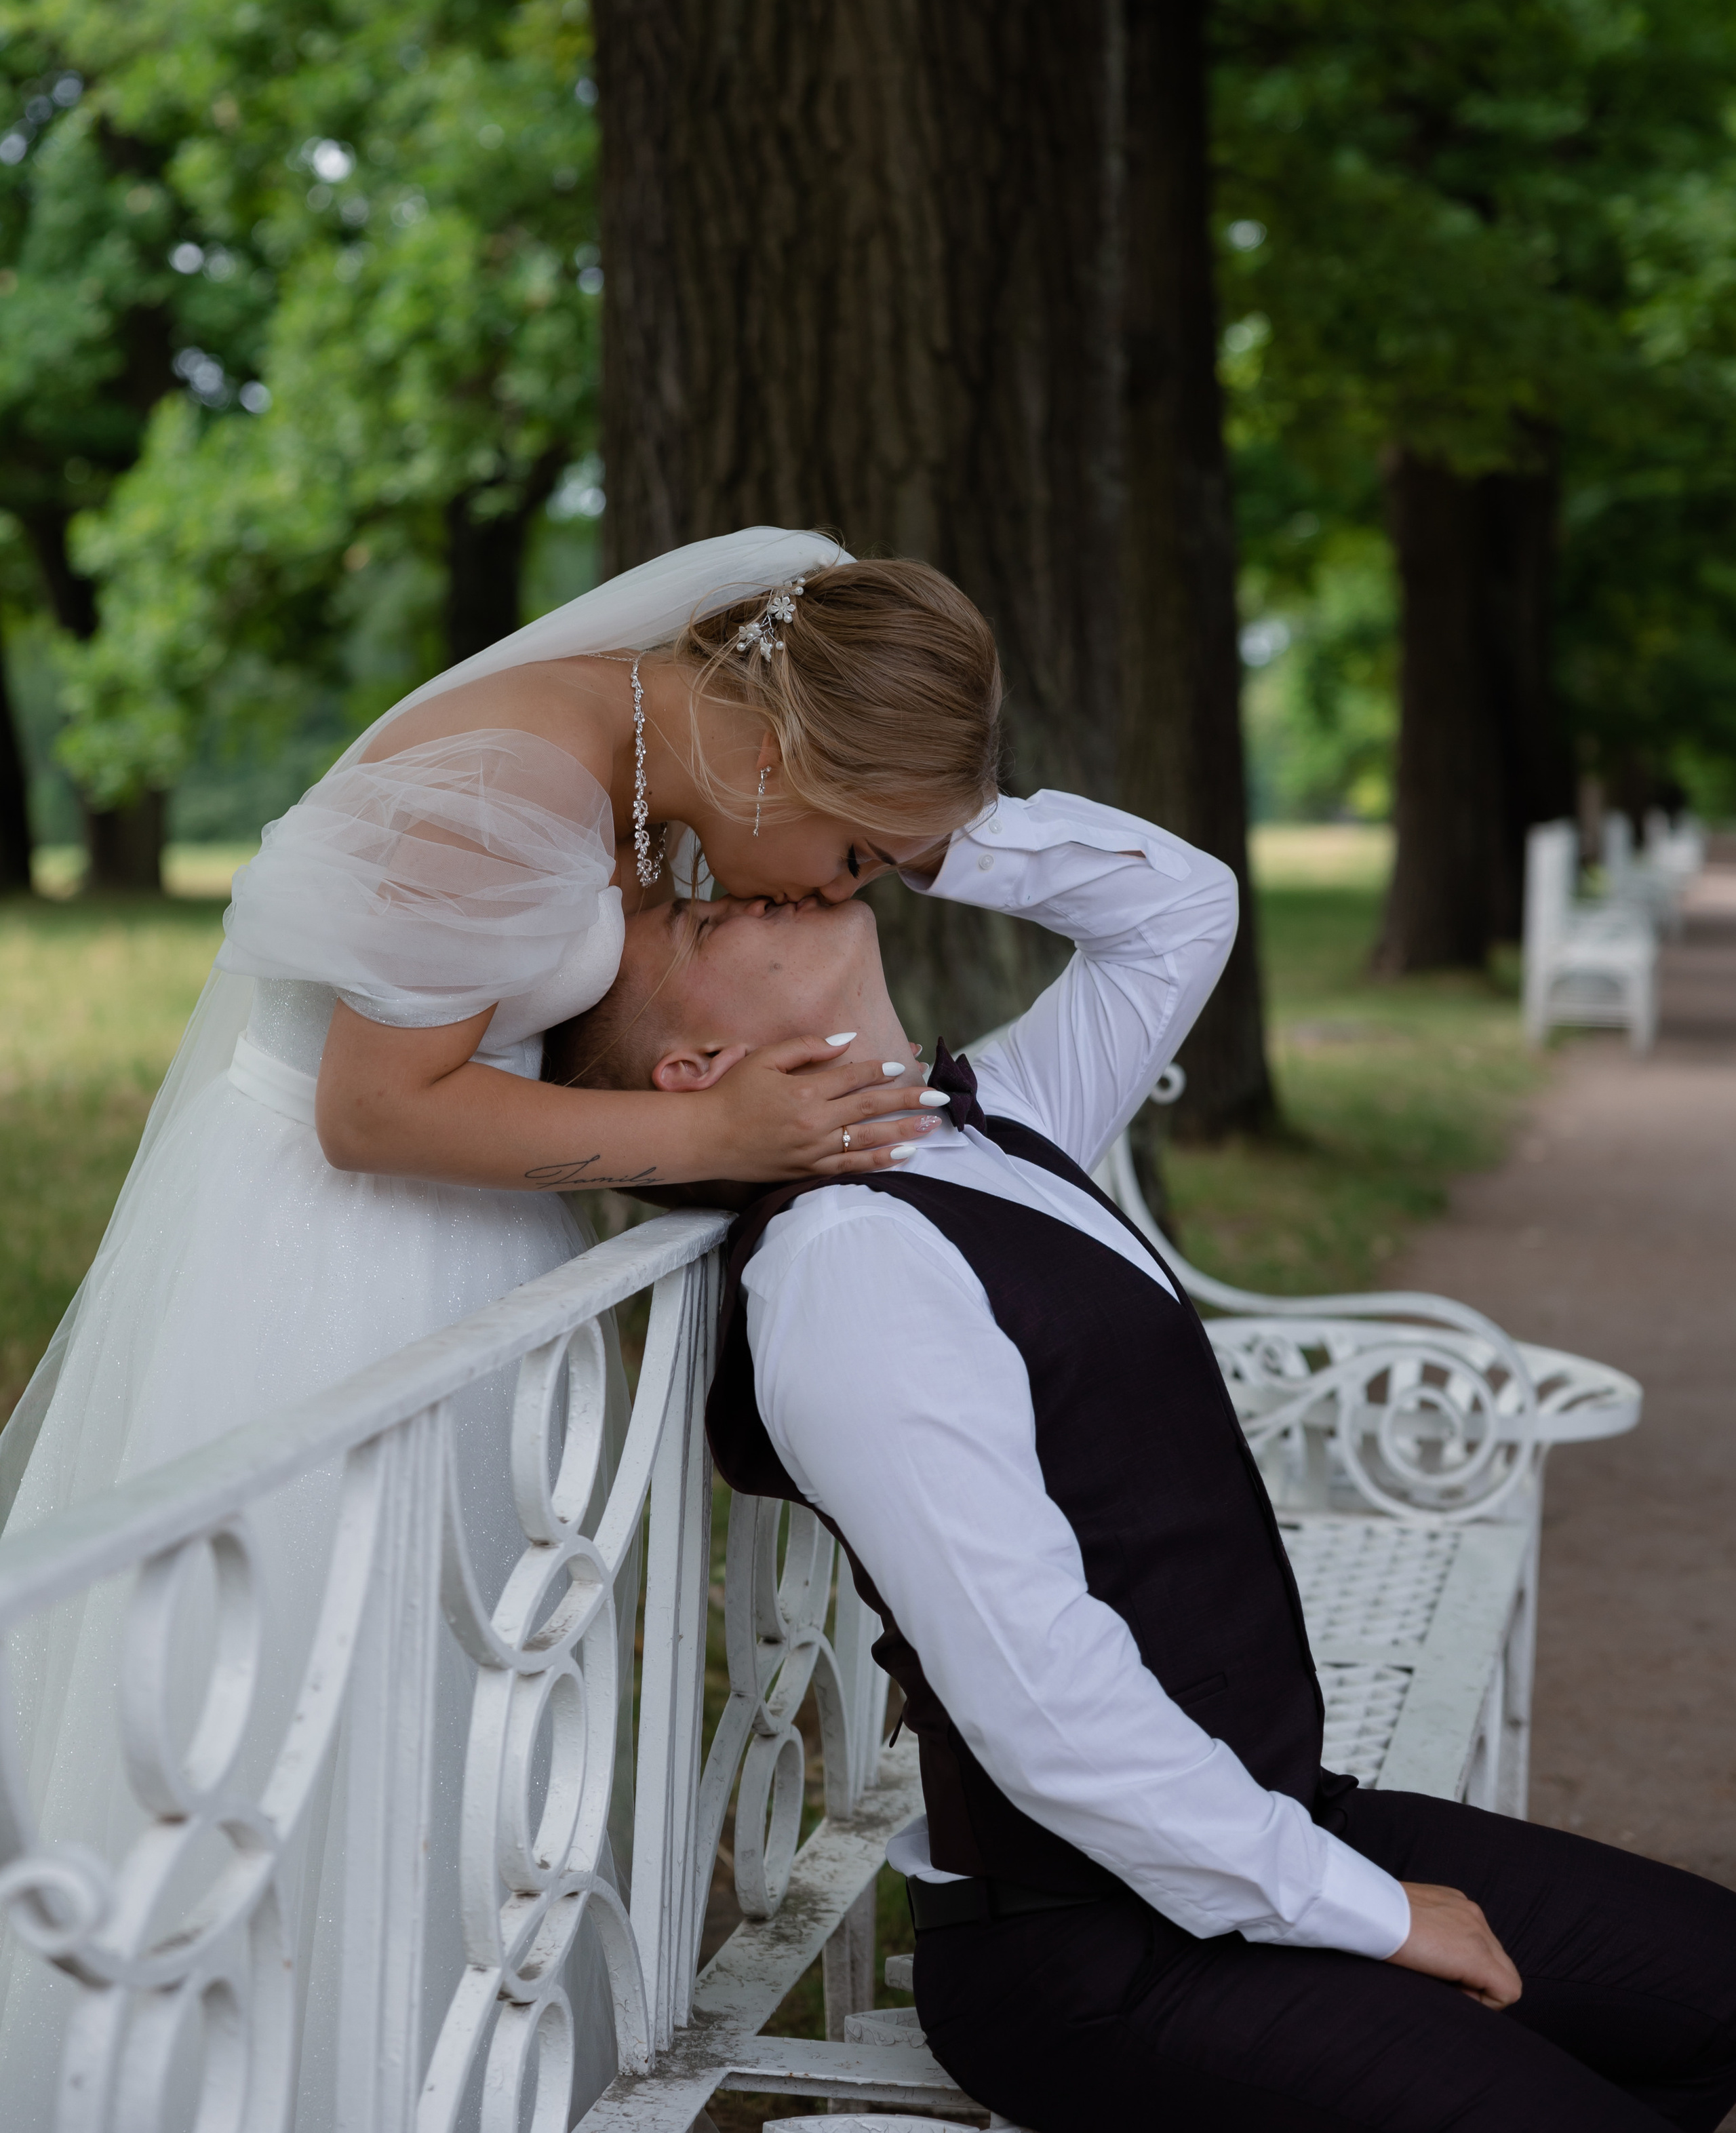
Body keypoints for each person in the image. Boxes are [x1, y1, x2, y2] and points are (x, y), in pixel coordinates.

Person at [545, 787, 1736, 2132]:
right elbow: (1041, 1705)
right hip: (1090, 1952)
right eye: (710, 917)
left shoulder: (986, 1120)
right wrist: (1367, 1913)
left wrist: (884, 811)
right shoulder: (845, 1266)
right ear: (693, 1074)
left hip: (1264, 1825)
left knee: (1709, 2001)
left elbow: (1175, 906)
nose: (767, 888)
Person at [0, 528, 1000, 2125]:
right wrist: (722, 1141)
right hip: (328, 1272)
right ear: (786, 755)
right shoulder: (516, 783)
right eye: (857, 853)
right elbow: (370, 1110)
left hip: (451, 1251)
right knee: (306, 1719)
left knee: (443, 1732)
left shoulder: (618, 766)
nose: (835, 892)